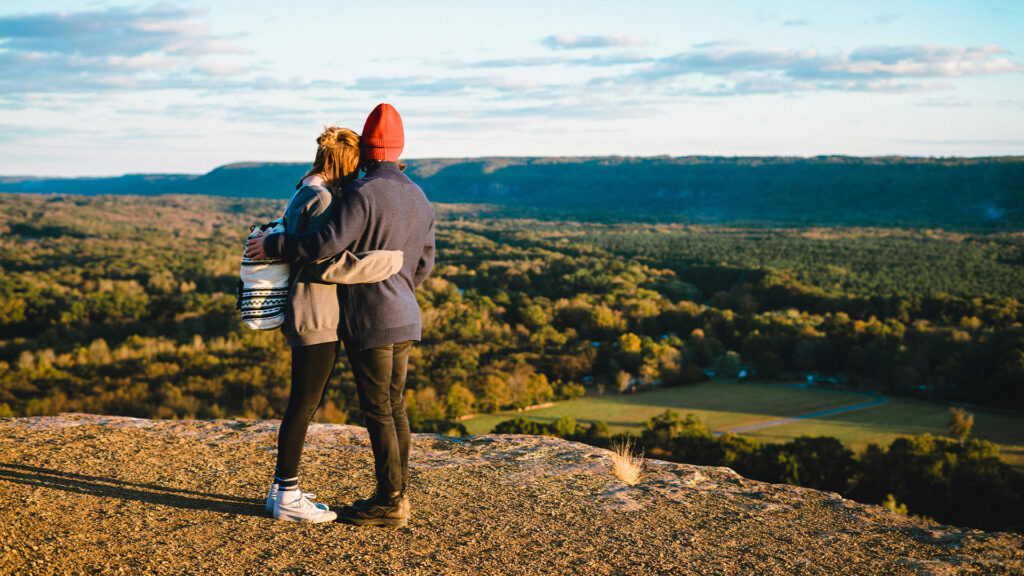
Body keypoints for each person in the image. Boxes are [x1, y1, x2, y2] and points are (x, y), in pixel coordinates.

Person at [246, 103, 435, 528]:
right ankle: (396, 496)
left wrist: (274, 246)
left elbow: (323, 245)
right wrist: (400, 286)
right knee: (396, 408)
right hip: (406, 312)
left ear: (368, 148)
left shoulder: (362, 193)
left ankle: (389, 503)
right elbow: (424, 264)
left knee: (379, 411)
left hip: (371, 316)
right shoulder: (420, 196)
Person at [265, 126, 362, 524]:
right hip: (315, 313)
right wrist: (385, 263)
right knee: (303, 404)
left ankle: (280, 491)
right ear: (343, 162)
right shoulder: (322, 199)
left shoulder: (304, 188)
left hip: (303, 309)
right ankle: (287, 493)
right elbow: (324, 259)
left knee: (302, 402)